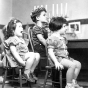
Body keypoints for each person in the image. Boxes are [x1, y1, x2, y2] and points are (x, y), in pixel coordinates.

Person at [46, 17, 82, 88]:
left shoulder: (62, 38)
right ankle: (69, 85)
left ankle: (73, 81)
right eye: (65, 26)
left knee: (78, 64)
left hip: (64, 58)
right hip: (57, 59)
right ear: (58, 27)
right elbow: (50, 52)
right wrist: (56, 62)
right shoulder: (52, 38)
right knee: (72, 65)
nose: (66, 28)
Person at [3, 18, 40, 82]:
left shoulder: (21, 39)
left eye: (22, 26)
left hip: (23, 57)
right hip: (15, 60)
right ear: (12, 30)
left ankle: (31, 71)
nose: (22, 28)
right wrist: (21, 62)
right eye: (19, 27)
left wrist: (31, 55)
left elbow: (26, 50)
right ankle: (26, 72)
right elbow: (14, 52)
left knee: (37, 55)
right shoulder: (12, 39)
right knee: (32, 54)